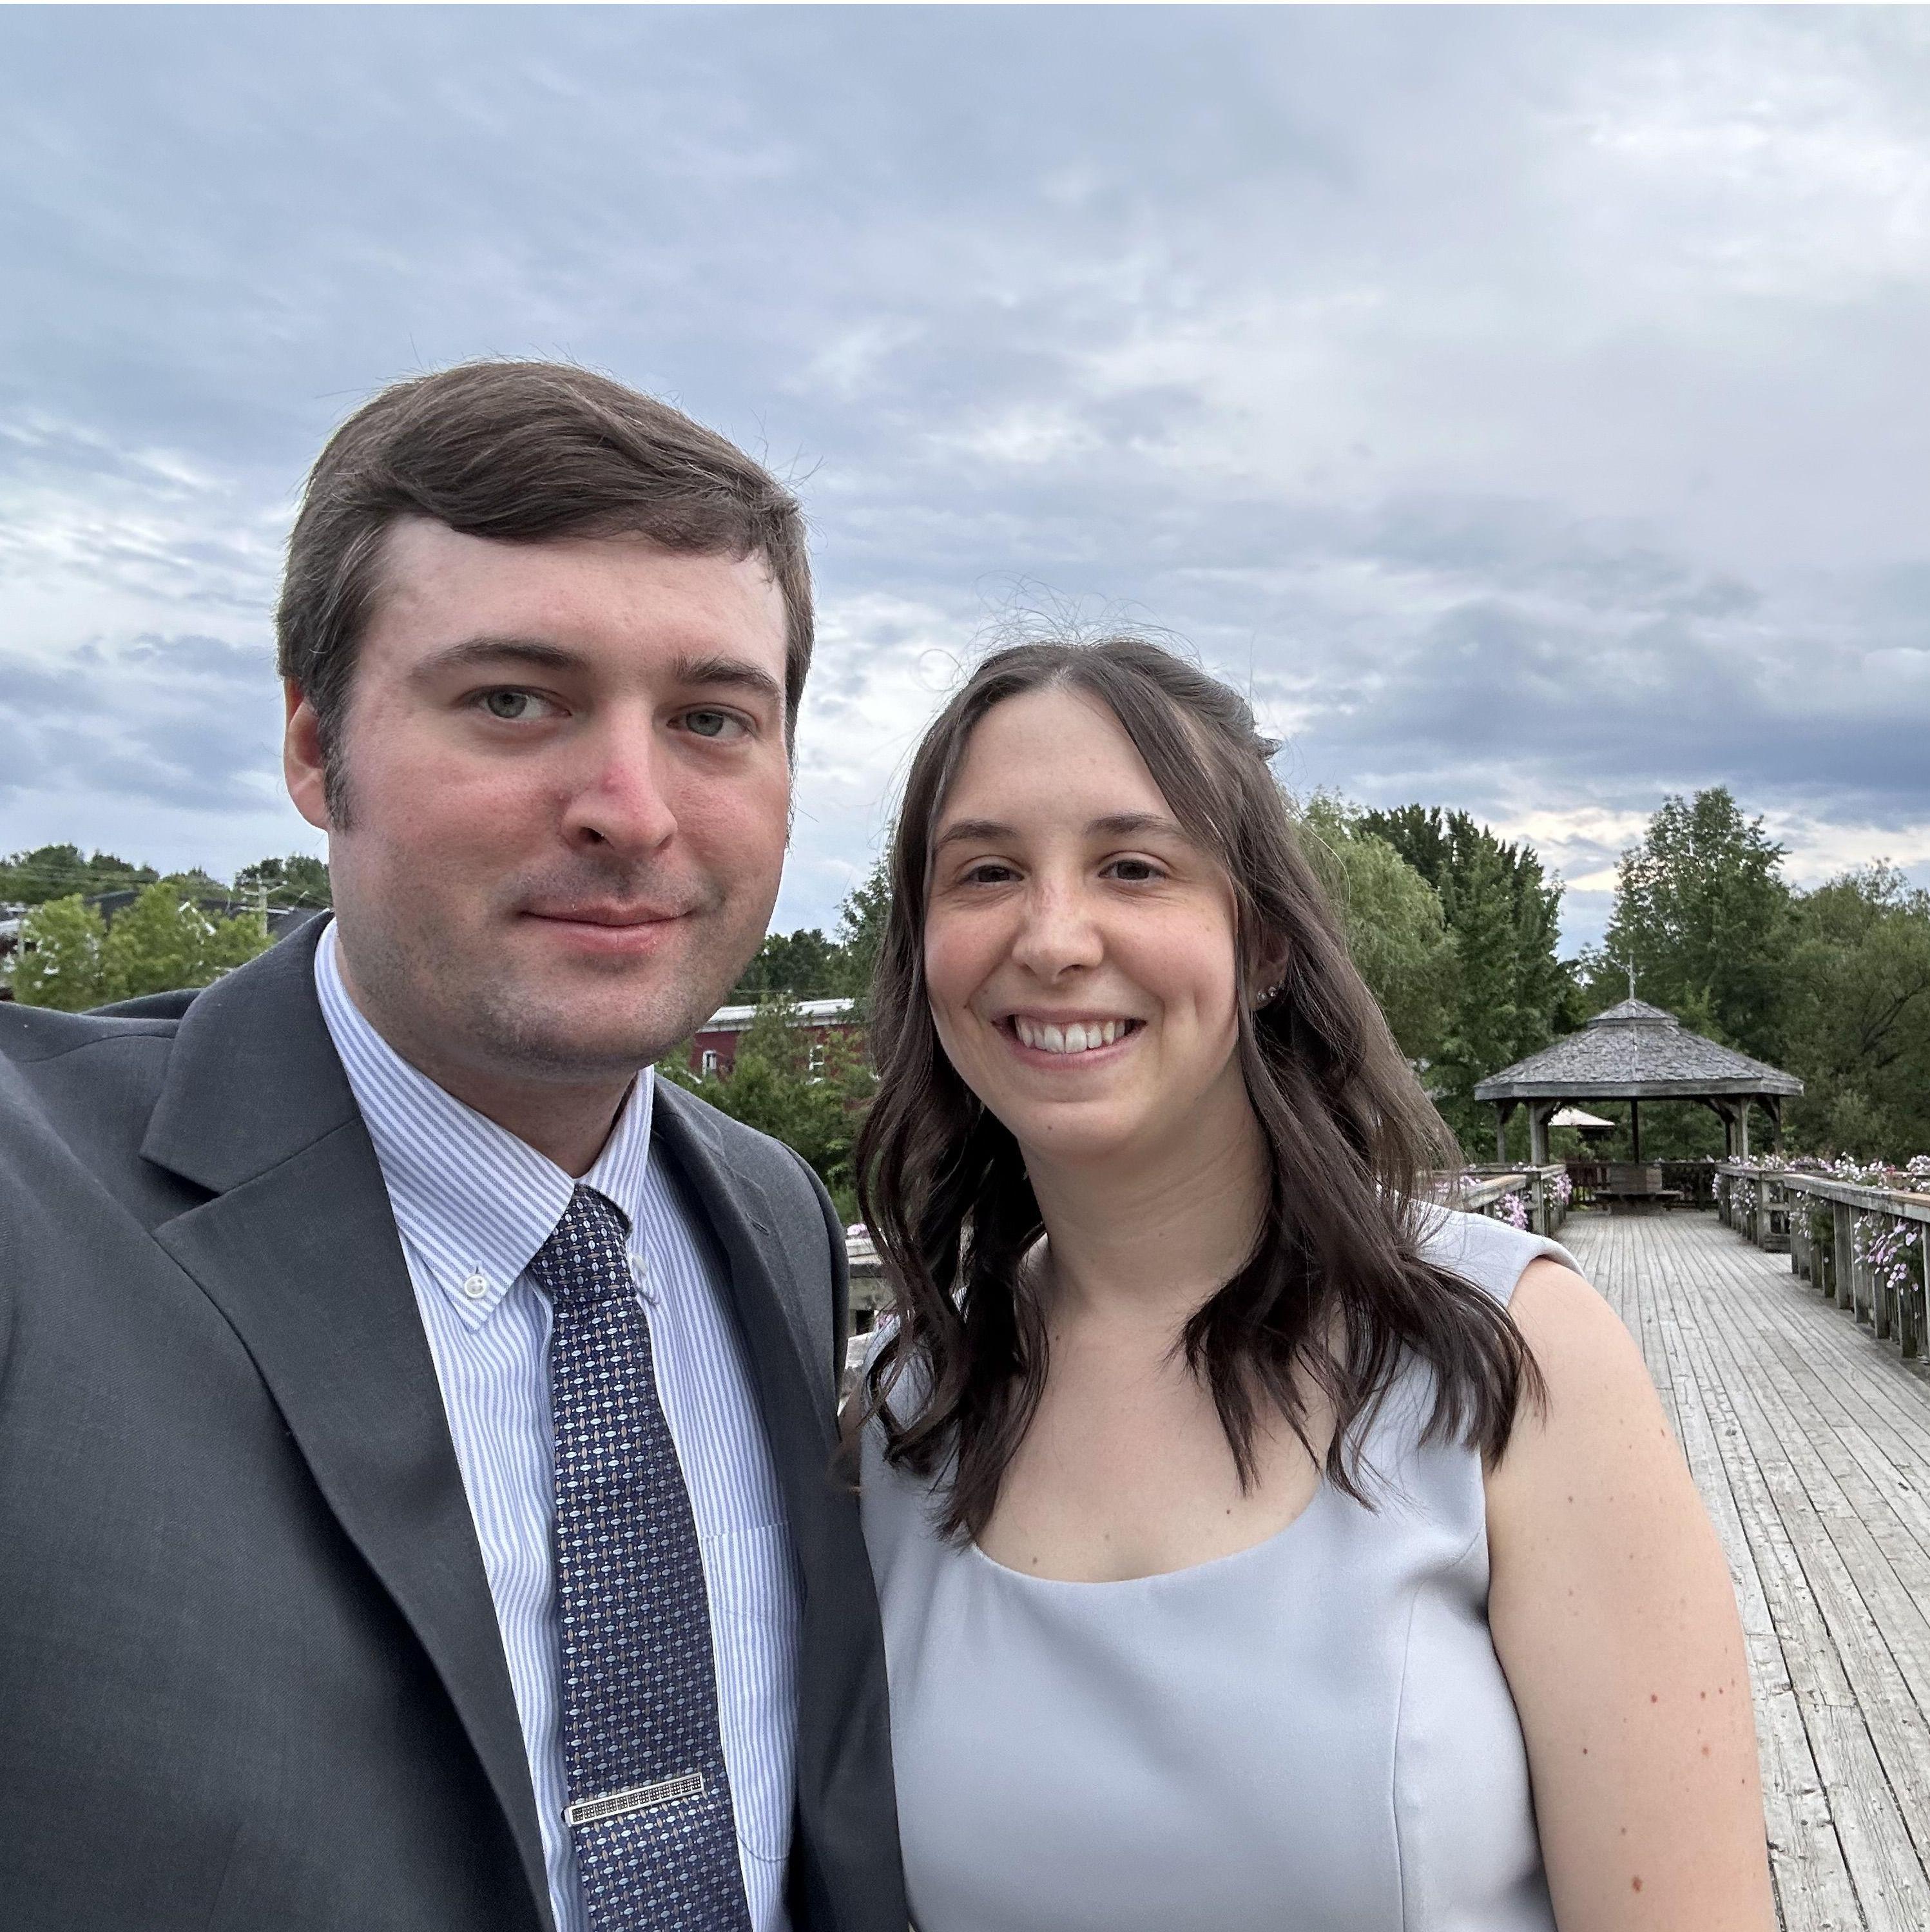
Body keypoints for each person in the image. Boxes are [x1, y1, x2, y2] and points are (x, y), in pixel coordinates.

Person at [0, 362, 905, 1932]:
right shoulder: (37, 1210)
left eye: (709, 717)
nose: (630, 806)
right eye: (512, 699)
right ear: (311, 748)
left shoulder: (767, 1211)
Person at [851, 636, 1774, 1931]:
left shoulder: (1505, 1355)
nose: (1052, 938)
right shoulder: (905, 1416)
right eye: (987, 871)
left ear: (1264, 941)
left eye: (1133, 865)